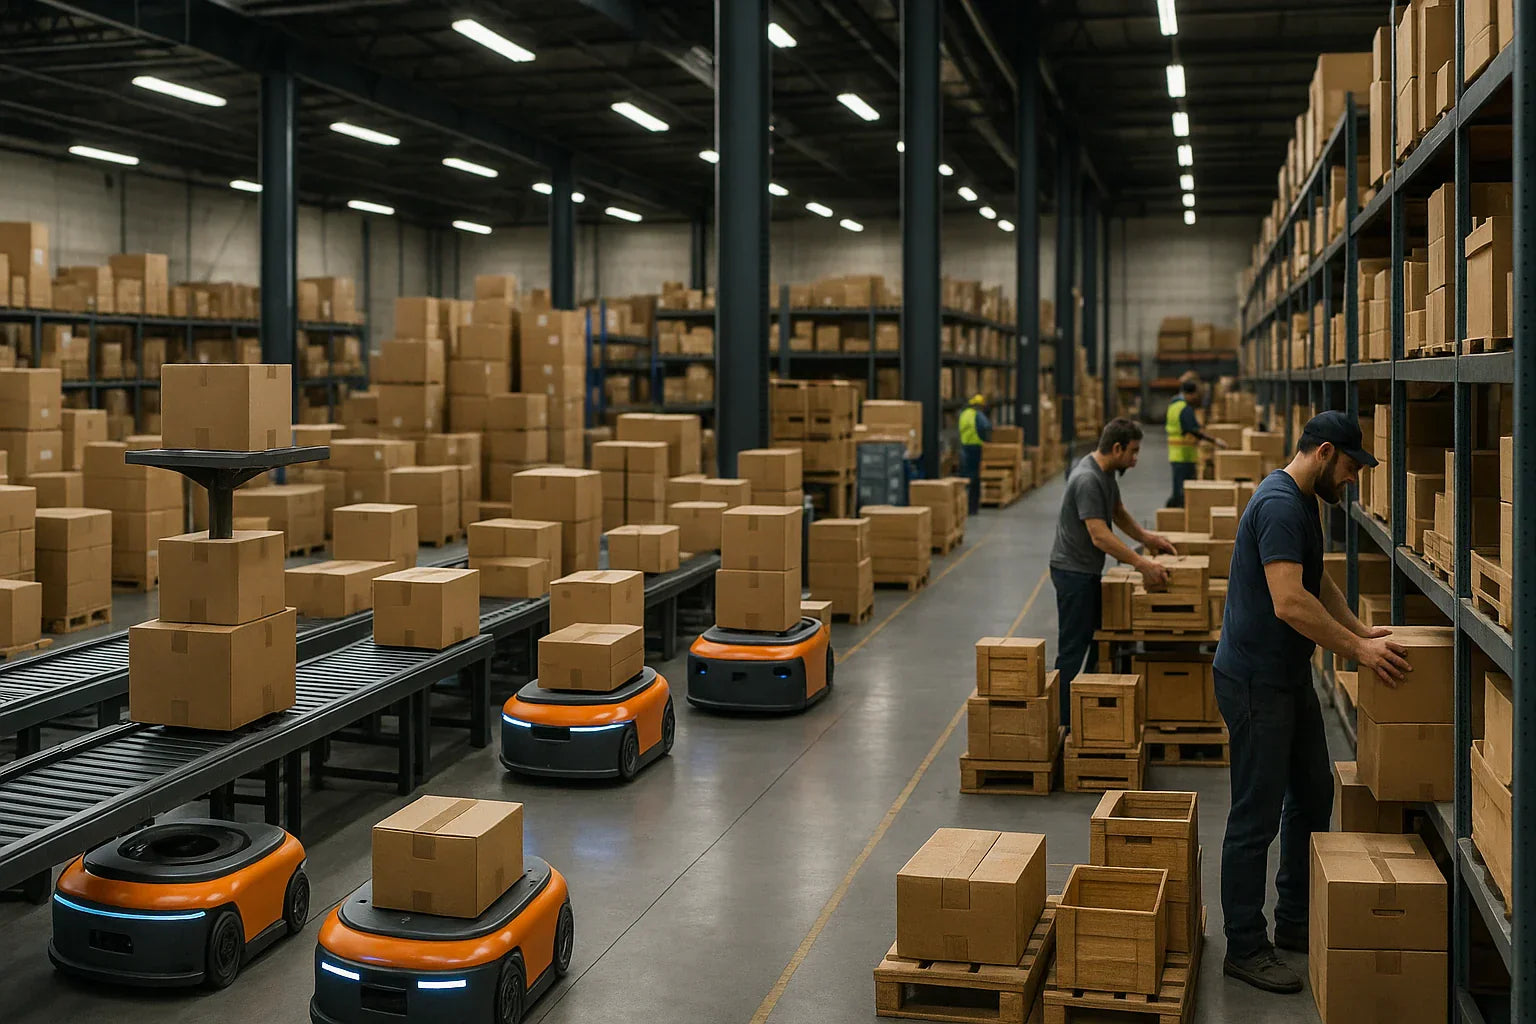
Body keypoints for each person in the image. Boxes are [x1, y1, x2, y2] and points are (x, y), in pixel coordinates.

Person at [1213, 410, 1411, 995]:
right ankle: (1245, 946)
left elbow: (1315, 580)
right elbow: (1288, 602)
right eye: (1351, 466)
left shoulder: (1305, 502)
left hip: (1287, 675)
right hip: (1255, 681)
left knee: (1311, 795)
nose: (1353, 479)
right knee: (1255, 815)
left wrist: (1360, 631)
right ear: (1325, 452)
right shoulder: (1278, 504)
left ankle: (1294, 921)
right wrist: (1357, 651)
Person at [1049, 417, 1177, 726]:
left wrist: (1148, 540)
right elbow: (1099, 535)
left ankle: (1089, 708)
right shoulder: (1087, 479)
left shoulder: (1105, 474)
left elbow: (1117, 513)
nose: (1135, 460)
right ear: (1116, 448)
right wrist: (1142, 563)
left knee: (1099, 639)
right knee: (1072, 649)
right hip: (1073, 573)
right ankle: (1062, 723)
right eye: (1133, 452)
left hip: (1085, 570)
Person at [1165, 377, 1228, 508]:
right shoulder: (1184, 408)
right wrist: (1215, 441)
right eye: (1195, 395)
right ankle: (1177, 515)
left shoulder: (1173, 405)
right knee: (1183, 489)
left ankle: (1173, 512)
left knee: (1178, 486)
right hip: (1184, 455)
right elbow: (1194, 430)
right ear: (1190, 393)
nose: (1196, 398)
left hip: (1175, 454)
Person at [958, 394, 993, 515]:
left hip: (964, 447)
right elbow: (986, 426)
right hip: (975, 447)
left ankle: (963, 507)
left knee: (965, 475)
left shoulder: (963, 414)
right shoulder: (977, 414)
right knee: (975, 477)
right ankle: (973, 508)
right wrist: (986, 439)